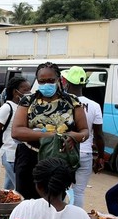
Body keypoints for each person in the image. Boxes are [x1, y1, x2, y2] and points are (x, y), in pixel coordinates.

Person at [11, 62, 89, 200]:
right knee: (27, 202)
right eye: (42, 81)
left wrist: (74, 136)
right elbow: (16, 131)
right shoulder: (28, 101)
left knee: (54, 201)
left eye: (51, 80)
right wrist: (50, 135)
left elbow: (84, 131)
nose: (46, 84)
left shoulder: (72, 102)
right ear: (37, 81)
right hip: (30, 157)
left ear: (59, 79)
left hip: (59, 160)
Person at [61, 66, 105, 209]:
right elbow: (98, 135)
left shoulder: (62, 103)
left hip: (65, 151)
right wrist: (100, 156)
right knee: (78, 192)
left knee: (60, 189)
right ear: (84, 84)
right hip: (85, 153)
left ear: (67, 83)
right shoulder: (95, 106)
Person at [0, 76, 30, 189]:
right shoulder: (7, 108)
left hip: (20, 156)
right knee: (21, 188)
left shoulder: (25, 107)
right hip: (10, 155)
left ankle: (4, 206)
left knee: (9, 188)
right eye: (25, 90)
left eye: (29, 89)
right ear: (15, 92)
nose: (29, 93)